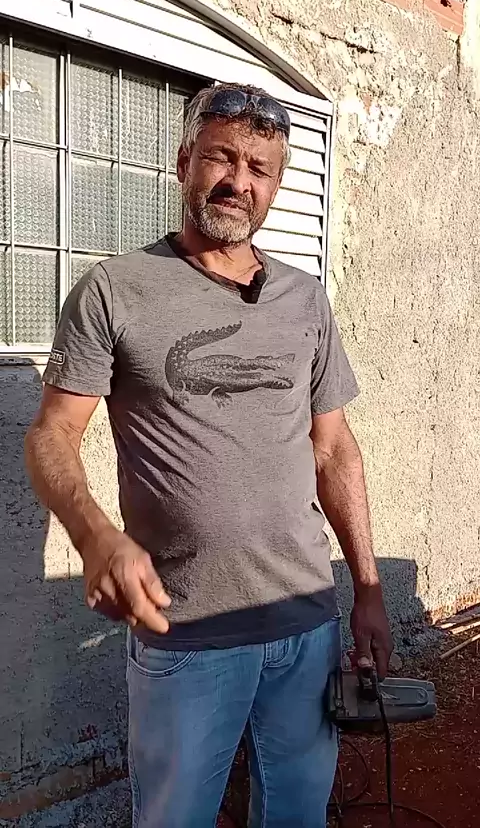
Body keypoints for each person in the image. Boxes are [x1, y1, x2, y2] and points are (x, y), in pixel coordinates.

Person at [25, 82, 393, 828]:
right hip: (186, 633)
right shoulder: (115, 290)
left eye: (260, 168)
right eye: (221, 158)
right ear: (184, 161)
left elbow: (333, 449)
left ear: (277, 185)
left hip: (305, 620)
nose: (238, 181)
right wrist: (95, 537)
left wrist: (367, 588)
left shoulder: (304, 298)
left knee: (298, 814)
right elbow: (51, 434)